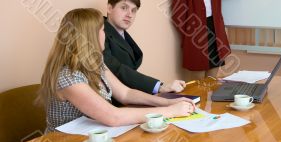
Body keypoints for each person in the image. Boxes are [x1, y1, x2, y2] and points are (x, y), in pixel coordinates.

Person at [37, 8, 195, 133]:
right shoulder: (68, 77)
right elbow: (113, 117)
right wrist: (171, 112)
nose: (106, 35)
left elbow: (126, 94)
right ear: (90, 36)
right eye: (102, 30)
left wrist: (167, 102)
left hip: (92, 138)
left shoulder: (96, 62)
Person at [104, 0, 186, 95]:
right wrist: (160, 86)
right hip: (113, 101)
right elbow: (115, 69)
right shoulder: (99, 31)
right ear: (110, 8)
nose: (130, 14)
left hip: (130, 94)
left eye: (134, 10)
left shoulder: (121, 33)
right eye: (124, 8)